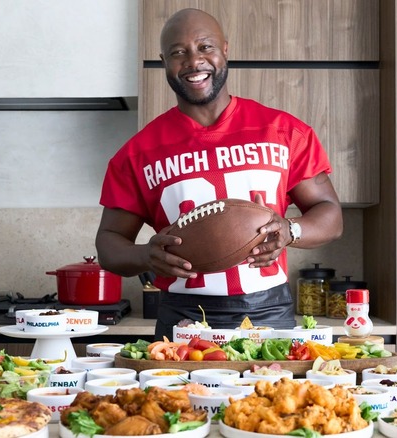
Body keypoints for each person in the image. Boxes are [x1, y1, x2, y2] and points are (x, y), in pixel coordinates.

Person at [96, 8, 343, 340]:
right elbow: (109, 243)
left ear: (225, 49)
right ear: (163, 61)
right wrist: (145, 255)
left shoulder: (283, 131)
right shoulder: (137, 153)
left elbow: (330, 214)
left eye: (205, 47)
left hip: (269, 311)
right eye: (178, 52)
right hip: (182, 318)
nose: (193, 61)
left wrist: (290, 230)